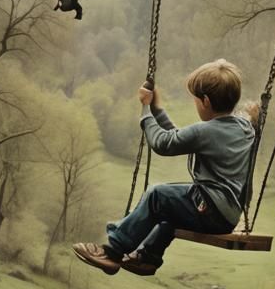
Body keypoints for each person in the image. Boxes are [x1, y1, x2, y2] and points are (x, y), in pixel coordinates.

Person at [72, 59, 258, 276]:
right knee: (173, 206)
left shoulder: (205, 132)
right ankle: (148, 256)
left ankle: (112, 252)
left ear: (205, 101)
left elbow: (163, 143)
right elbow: (178, 138)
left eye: (195, 100)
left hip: (210, 210)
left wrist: (145, 110)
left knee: (158, 195)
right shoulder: (244, 128)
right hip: (227, 216)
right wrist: (157, 110)